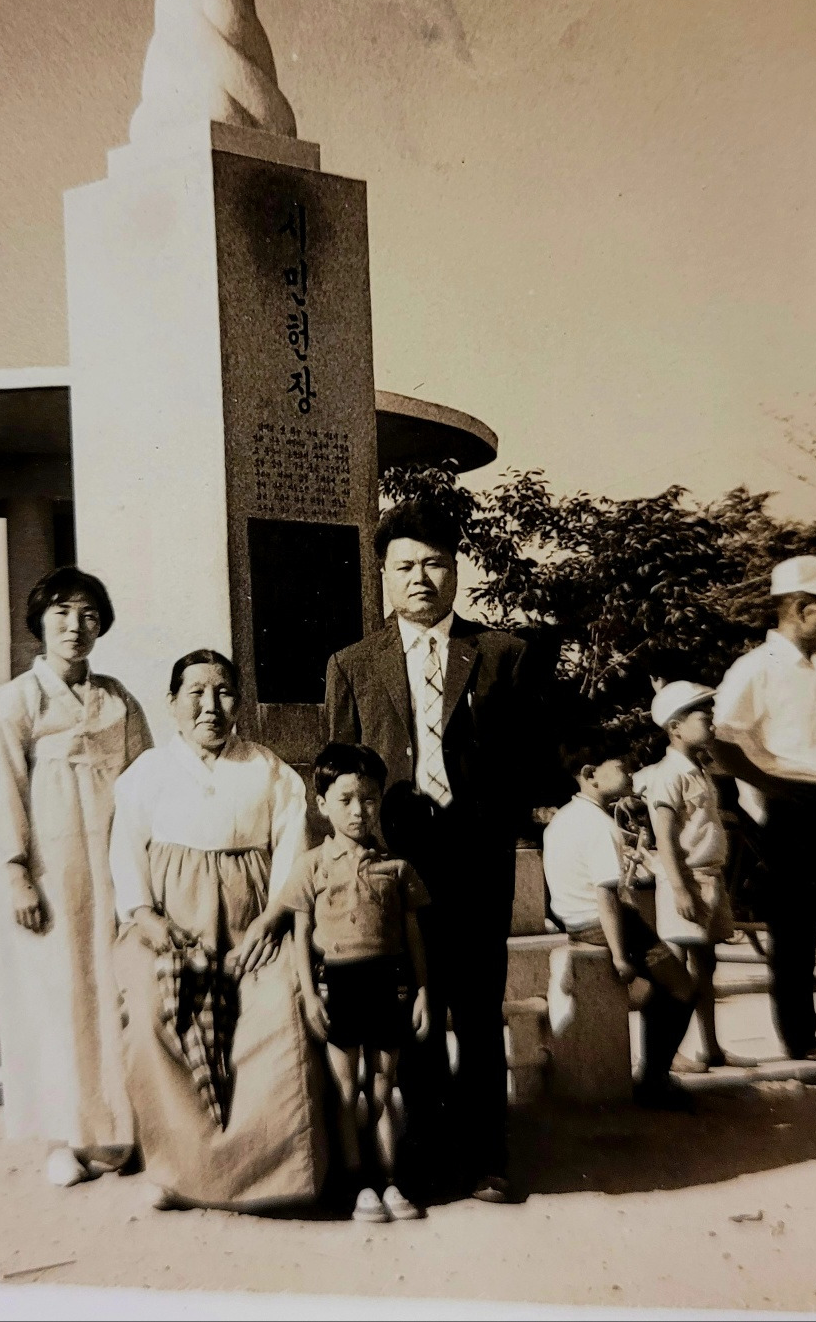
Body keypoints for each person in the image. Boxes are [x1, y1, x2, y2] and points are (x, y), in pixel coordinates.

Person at [324, 499, 533, 1205]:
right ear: (384, 575)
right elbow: (340, 769)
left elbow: (530, 759)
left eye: (434, 564)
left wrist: (492, 820)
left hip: (476, 864)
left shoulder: (503, 654)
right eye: (405, 566)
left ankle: (488, 1157)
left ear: (456, 571)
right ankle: (426, 1158)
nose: (420, 578)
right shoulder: (352, 663)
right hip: (396, 866)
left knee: (477, 1010)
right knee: (411, 1012)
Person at [109, 649, 324, 1212]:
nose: (211, 706)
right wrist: (145, 916)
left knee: (279, 1006)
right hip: (168, 926)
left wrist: (272, 920)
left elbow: (292, 853)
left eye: (224, 692)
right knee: (153, 1009)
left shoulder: (269, 770)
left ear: (239, 703)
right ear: (172, 703)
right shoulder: (148, 773)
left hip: (254, 924)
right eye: (196, 693)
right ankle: (180, 1170)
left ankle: (275, 1175)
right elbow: (125, 852)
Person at [0, 567, 152, 1188]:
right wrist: (16, 872)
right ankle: (62, 1137)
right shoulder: (16, 700)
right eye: (62, 613)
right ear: (40, 622)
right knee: (59, 996)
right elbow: (1, 792)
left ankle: (118, 1130)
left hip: (112, 866)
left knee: (114, 990)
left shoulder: (118, 699)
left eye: (88, 614)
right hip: (53, 872)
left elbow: (144, 782)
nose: (75, 626)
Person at [711, 555, 816, 1062]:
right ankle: (801, 1040)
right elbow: (721, 744)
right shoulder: (756, 668)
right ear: (801, 607)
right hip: (793, 812)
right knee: (795, 932)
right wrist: (774, 786)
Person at [269, 743, 430, 1224]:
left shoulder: (396, 867)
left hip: (388, 984)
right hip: (339, 984)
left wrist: (422, 991)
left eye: (369, 799)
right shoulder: (311, 866)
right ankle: (358, 1183)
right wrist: (309, 995)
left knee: (381, 1086)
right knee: (345, 1088)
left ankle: (390, 1179)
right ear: (322, 804)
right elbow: (301, 936)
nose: (359, 811)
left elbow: (413, 935)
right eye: (345, 800)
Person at [542, 736, 696, 1110]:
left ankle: (652, 1071)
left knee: (663, 985)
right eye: (620, 766)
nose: (629, 772)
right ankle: (654, 1078)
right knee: (683, 988)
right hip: (605, 925)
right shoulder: (599, 826)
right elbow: (606, 896)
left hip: (573, 921)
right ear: (590, 774)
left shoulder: (561, 820)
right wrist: (619, 955)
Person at [639, 681, 733, 1071]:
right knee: (674, 974)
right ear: (675, 727)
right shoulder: (669, 774)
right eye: (701, 713)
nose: (710, 718)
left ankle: (710, 1046)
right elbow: (664, 835)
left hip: (709, 877)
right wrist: (680, 889)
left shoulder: (699, 769)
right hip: (686, 878)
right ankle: (666, 1054)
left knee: (705, 966)